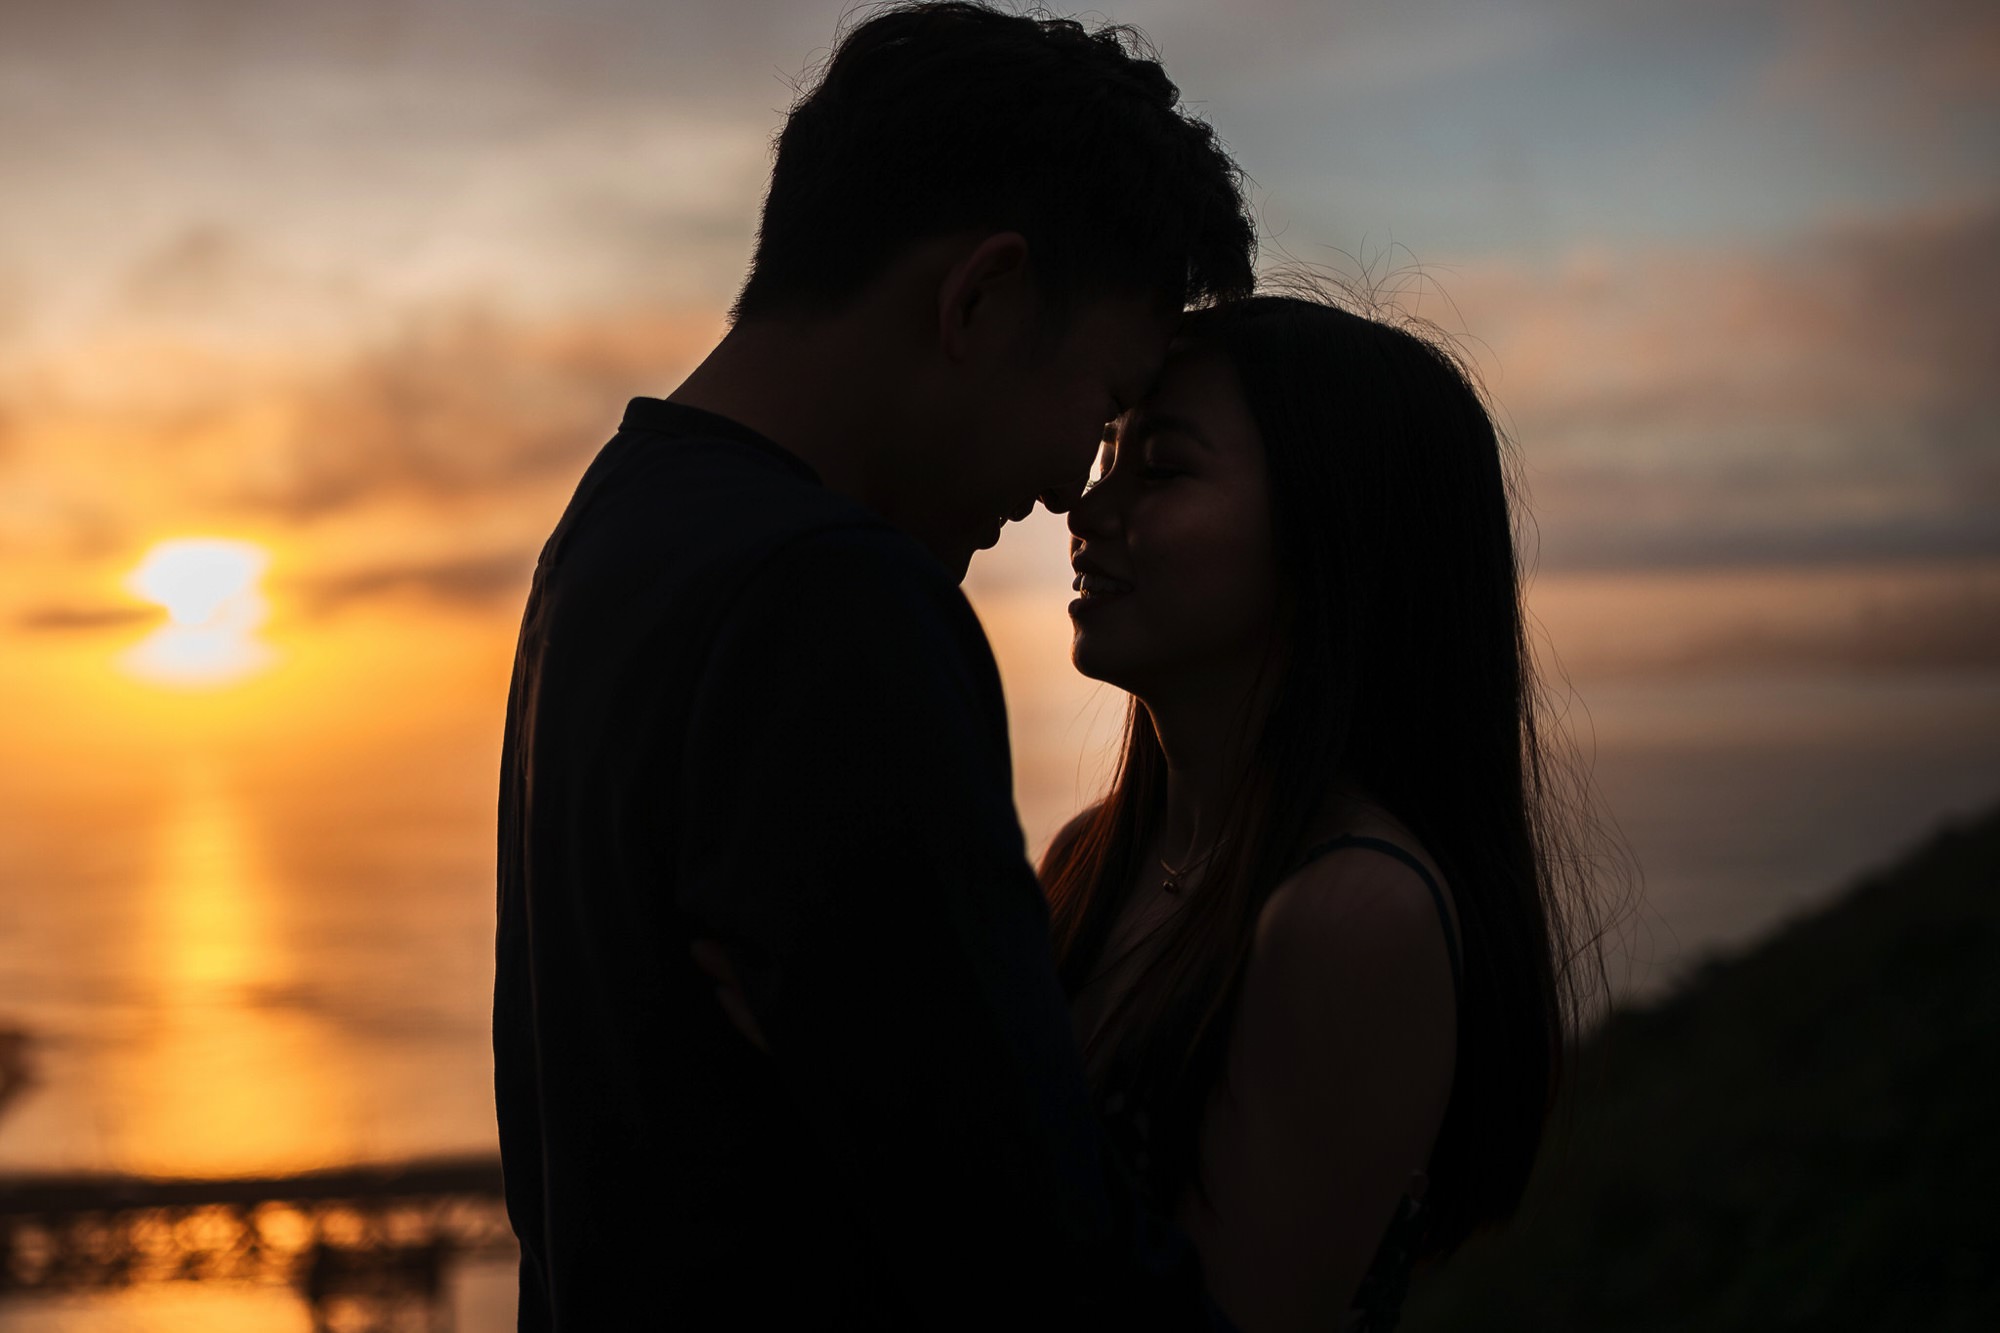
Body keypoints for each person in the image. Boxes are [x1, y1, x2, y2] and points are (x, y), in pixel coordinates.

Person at [492, 3, 1256, 1327]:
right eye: (1103, 405)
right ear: (983, 297)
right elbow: (1043, 1270)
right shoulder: (829, 602)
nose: (1073, 486)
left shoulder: (613, 528)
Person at [1043, 293, 1607, 1332]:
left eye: (1159, 467)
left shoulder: (1351, 914)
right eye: (1105, 454)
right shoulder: (1092, 857)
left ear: (1330, 533)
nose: (1083, 511)